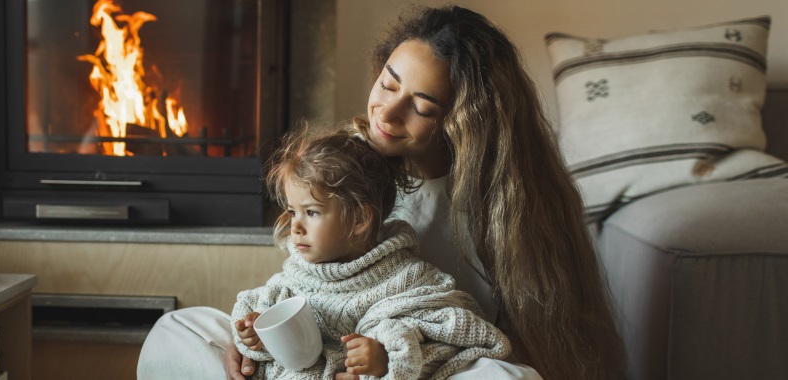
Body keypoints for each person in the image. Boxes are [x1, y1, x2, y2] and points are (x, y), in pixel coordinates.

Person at [139, 4, 624, 380]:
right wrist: (251, 340)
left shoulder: (502, 208)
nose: (387, 114)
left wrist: (393, 358)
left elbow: (493, 342)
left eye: (422, 106)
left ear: (464, 120)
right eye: (388, 84)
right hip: (324, 352)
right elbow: (312, 280)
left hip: (422, 364)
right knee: (177, 330)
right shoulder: (354, 167)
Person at [231, 128, 510, 379]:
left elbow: (457, 333)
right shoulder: (296, 274)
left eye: (312, 212)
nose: (296, 226)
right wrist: (255, 336)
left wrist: (387, 359)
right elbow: (264, 312)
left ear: (359, 219)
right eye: (293, 212)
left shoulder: (408, 278)